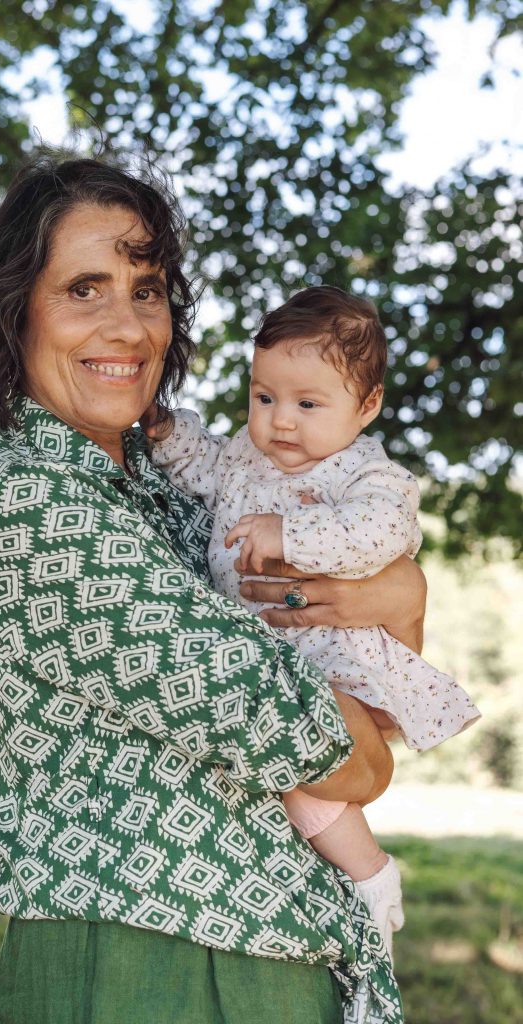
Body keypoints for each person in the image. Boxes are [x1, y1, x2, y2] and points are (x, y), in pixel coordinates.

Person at [0, 152, 425, 1024]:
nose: (127, 327)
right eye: (83, 289)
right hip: (141, 970)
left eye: (148, 290)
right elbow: (339, 753)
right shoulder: (31, 501)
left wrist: (403, 596)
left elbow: (353, 677)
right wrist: (359, 706)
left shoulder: (166, 485)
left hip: (267, 960)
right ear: (12, 314)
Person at [144, 285, 480, 956]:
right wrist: (166, 431)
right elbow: (203, 465)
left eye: (307, 404)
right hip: (280, 653)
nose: (281, 422)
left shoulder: (367, 475)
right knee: (278, 769)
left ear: (367, 406)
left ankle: (370, 875)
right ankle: (352, 882)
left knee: (291, 760)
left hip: (338, 656)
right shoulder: (247, 455)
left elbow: (378, 534)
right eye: (264, 397)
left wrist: (289, 533)